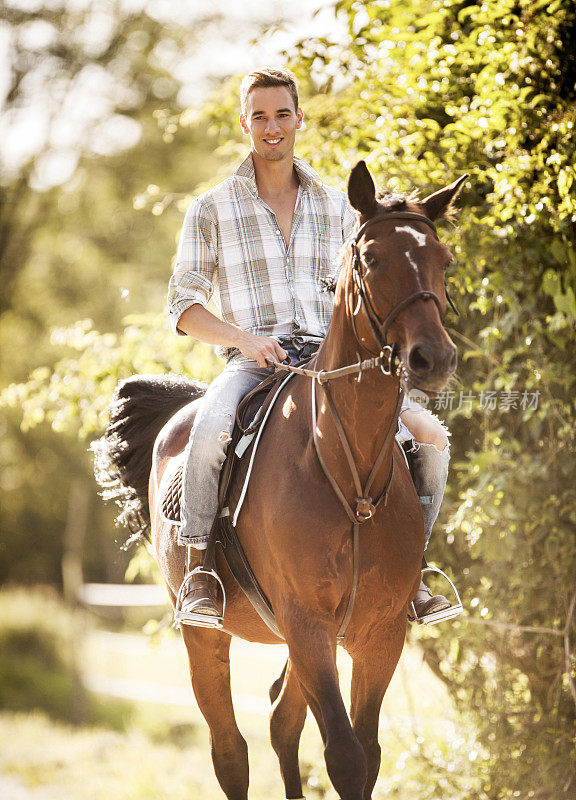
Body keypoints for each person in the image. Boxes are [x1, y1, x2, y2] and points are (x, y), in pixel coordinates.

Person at [167, 67, 457, 627]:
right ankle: (200, 572)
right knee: (206, 436)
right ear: (245, 124)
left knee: (434, 439)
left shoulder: (335, 206)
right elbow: (183, 307)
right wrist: (246, 340)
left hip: (333, 366)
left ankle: (411, 572)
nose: (271, 127)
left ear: (298, 119)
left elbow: (370, 287)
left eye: (282, 115)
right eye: (259, 116)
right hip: (254, 363)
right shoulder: (210, 209)